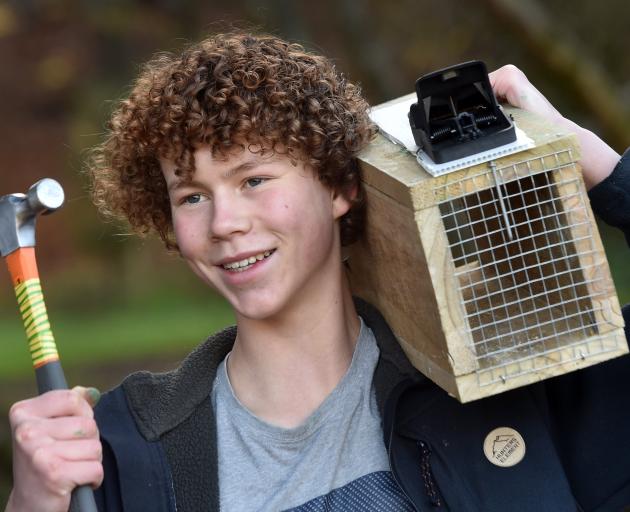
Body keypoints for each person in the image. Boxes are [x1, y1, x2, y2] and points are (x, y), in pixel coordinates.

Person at [5, 32, 630, 512]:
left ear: (337, 186)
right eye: (192, 195)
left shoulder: (517, 369)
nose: (224, 221)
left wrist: (586, 155)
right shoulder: (122, 447)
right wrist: (33, 503)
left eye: (253, 179)